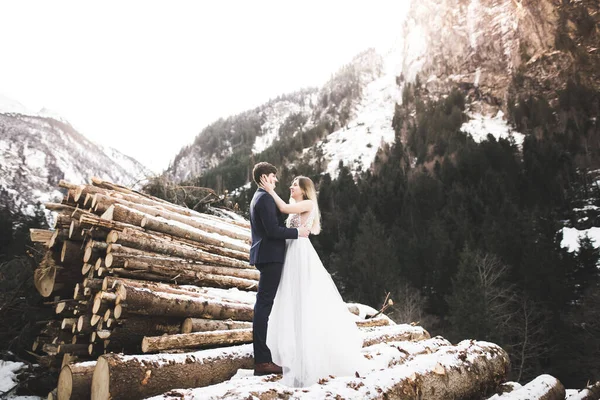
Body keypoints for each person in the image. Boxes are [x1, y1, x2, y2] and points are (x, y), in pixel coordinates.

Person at [260, 175, 365, 387]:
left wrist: (270, 190)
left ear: (305, 190)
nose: (291, 187)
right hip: (291, 251)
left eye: (294, 185)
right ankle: (291, 352)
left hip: (300, 252)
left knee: (302, 299)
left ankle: (307, 357)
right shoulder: (296, 203)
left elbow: (282, 209)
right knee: (290, 299)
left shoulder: (307, 203)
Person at [249, 162, 311, 376]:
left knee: (264, 304)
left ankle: (265, 356)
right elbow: (273, 231)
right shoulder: (264, 198)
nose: (276, 180)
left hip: (268, 255)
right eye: (273, 176)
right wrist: (297, 233)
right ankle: (262, 361)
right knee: (264, 305)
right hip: (270, 256)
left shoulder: (261, 196)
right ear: (265, 177)